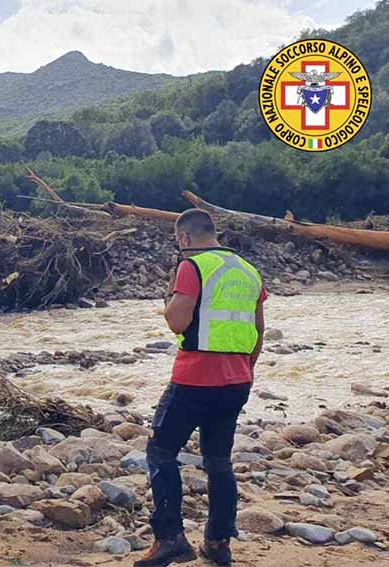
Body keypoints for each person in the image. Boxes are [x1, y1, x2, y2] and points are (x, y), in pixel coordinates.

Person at [134, 209, 266, 567]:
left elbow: (178, 319)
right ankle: (219, 543)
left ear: (184, 239)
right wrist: (244, 371)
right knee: (219, 460)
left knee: (161, 451)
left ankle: (170, 539)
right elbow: (258, 331)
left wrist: (168, 299)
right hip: (237, 379)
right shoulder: (249, 271)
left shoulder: (192, 267)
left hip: (194, 377)